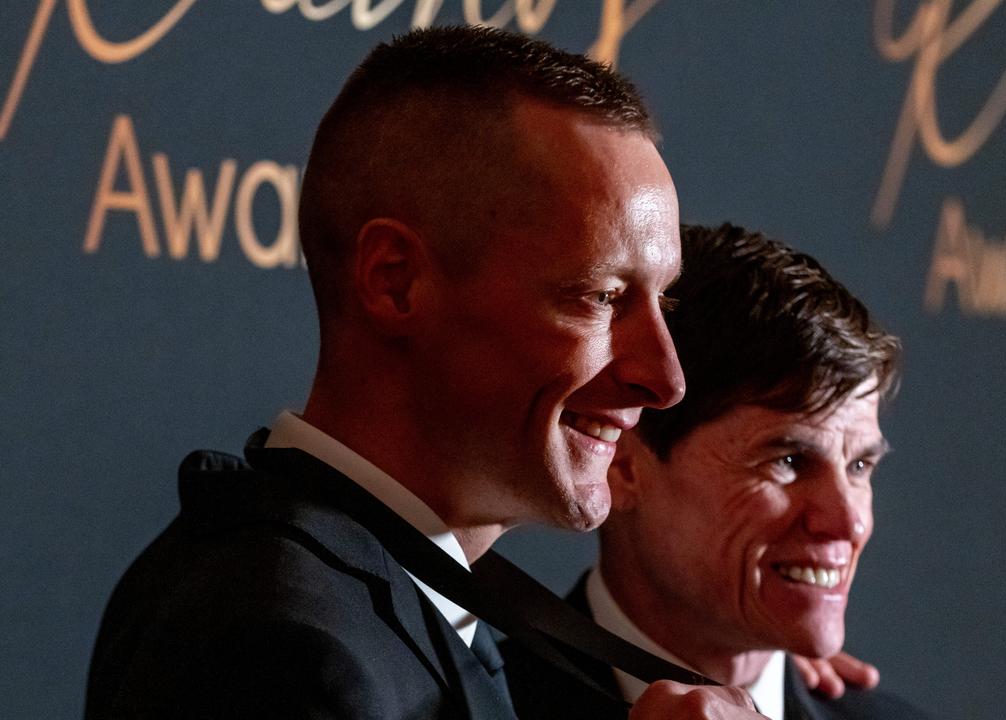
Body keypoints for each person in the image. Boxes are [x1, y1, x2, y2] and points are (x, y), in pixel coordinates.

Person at [85, 27, 764, 720]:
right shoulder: (285, 648)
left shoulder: (383, 591)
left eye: (663, 301)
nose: (665, 377)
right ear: (396, 281)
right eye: (600, 297)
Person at [503, 223, 933, 719]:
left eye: (859, 465)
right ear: (622, 463)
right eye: (788, 461)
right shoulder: (472, 706)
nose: (848, 522)